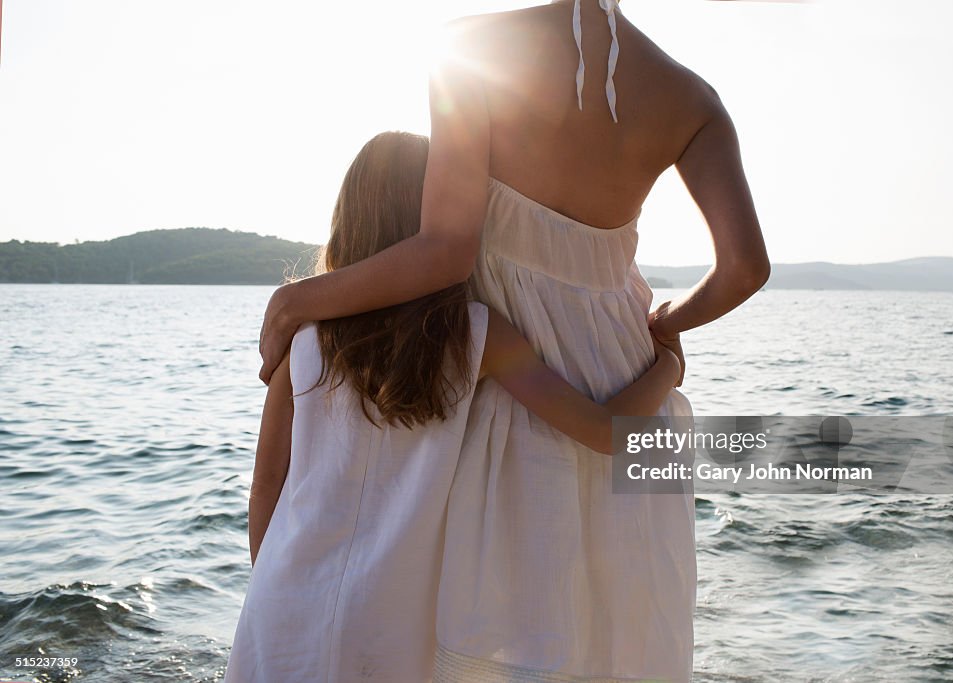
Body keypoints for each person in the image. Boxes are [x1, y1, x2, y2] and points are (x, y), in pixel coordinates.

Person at [257, 2, 769, 680]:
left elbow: (447, 249)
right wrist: (666, 332)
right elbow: (744, 269)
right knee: (613, 632)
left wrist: (297, 298)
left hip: (516, 379)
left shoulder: (472, 46)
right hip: (624, 379)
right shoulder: (692, 98)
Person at [224, 131, 682, 682]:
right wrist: (667, 367)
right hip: (396, 626)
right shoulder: (475, 336)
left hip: (282, 605)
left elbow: (266, 488)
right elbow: (606, 431)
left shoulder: (303, 340)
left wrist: (269, 587)